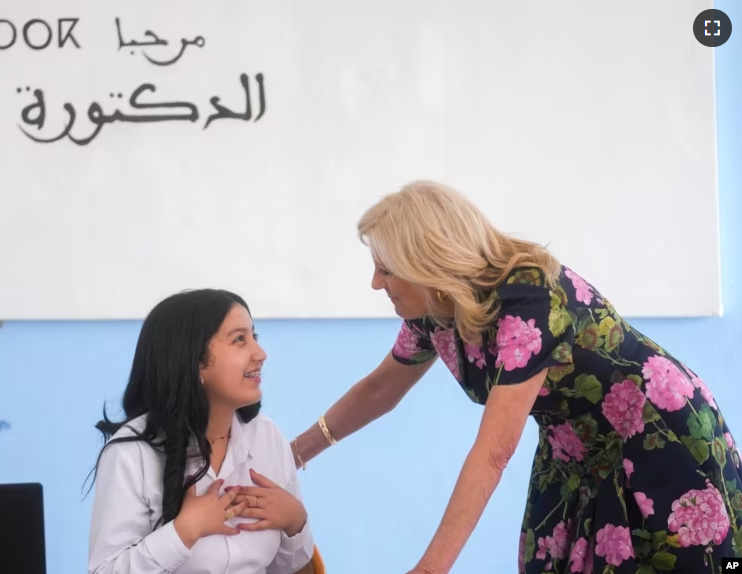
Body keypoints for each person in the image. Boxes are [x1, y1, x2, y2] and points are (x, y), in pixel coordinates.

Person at [289, 181, 742, 573]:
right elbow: (380, 388)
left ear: (425, 263)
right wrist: (292, 453)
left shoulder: (529, 296)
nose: (375, 283)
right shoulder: (435, 312)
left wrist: (430, 568)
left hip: (658, 436)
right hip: (575, 450)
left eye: (385, 269)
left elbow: (494, 450)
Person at [87, 289, 314, 574]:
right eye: (239, 339)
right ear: (193, 360)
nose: (260, 353)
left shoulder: (266, 436)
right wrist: (183, 532)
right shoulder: (131, 454)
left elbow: (290, 569)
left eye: (254, 337)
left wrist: (296, 522)